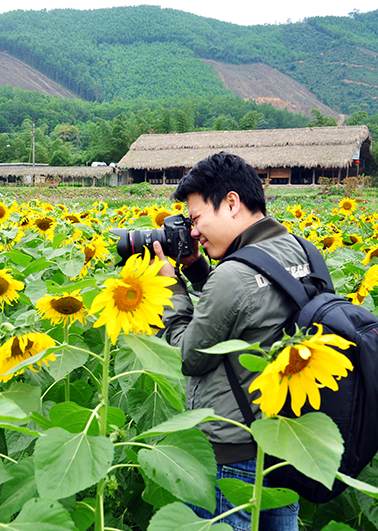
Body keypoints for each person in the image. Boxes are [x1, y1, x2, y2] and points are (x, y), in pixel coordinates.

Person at [152, 152, 305, 531]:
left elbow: (188, 355)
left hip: (232, 453)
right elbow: (252, 307)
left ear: (232, 203)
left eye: (197, 217)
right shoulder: (300, 251)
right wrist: (197, 268)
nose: (193, 231)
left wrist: (169, 284)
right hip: (286, 447)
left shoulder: (233, 275)